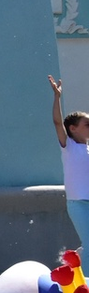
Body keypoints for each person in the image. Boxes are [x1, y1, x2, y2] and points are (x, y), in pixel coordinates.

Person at [50, 75, 89, 252]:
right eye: (87, 124)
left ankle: (79, 261)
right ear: (73, 128)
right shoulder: (69, 146)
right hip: (78, 203)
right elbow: (58, 123)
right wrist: (57, 97)